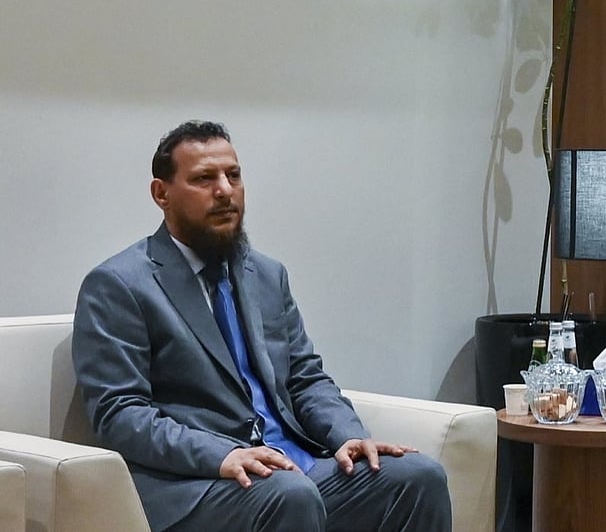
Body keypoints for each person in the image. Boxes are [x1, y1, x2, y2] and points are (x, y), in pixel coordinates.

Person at [73, 120, 452, 532]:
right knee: (290, 494)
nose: (224, 190)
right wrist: (220, 455)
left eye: (233, 175)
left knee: (418, 477)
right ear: (161, 193)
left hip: (292, 466)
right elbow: (120, 413)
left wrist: (347, 435)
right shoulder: (120, 285)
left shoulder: (266, 275)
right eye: (204, 179)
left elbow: (305, 378)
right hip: (202, 481)